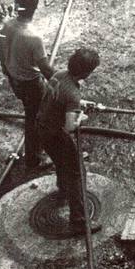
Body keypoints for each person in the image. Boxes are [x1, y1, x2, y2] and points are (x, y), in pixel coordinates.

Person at [37, 47, 102, 234]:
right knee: (77, 173)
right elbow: (70, 127)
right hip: (55, 133)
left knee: (60, 162)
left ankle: (63, 190)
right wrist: (80, 116)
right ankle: (79, 221)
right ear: (86, 73)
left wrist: (79, 104)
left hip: (41, 127)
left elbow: (57, 98)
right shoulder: (73, 93)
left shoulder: (58, 74)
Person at [0, 0, 54, 170]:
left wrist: (5, 67)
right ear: (35, 7)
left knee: (31, 114)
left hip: (15, 80)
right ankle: (34, 159)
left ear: (16, 5)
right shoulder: (33, 36)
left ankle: (35, 152)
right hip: (31, 84)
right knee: (36, 118)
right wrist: (61, 80)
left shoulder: (7, 25)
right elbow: (44, 68)